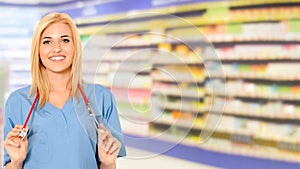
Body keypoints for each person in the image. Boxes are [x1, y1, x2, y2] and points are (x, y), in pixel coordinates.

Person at [3, 12, 126, 169]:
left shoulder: (101, 98)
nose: (57, 49)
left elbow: (108, 165)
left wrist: (108, 163)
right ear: (38, 51)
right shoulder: (17, 102)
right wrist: (16, 162)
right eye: (47, 42)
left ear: (75, 47)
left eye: (65, 40)